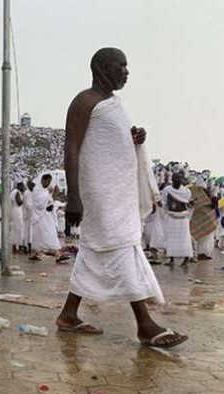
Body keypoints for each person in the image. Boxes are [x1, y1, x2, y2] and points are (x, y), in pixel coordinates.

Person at [56, 48, 187, 348]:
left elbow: (108, 144)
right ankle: (145, 325)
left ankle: (68, 314)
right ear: (103, 68)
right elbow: (72, 147)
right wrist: (74, 197)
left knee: (96, 249)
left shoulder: (112, 104)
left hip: (117, 193)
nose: (126, 72)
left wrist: (135, 138)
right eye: (121, 66)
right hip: (100, 195)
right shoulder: (85, 101)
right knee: (120, 247)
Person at [30, 174, 69, 262]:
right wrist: (48, 192)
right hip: (41, 217)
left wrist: (54, 193)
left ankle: (35, 253)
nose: (48, 183)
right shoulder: (37, 189)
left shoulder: (44, 191)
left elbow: (51, 202)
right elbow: (39, 204)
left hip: (47, 216)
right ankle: (57, 254)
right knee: (49, 234)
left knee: (47, 234)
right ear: (43, 180)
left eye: (50, 182)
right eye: (47, 181)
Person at [162, 173, 194, 267]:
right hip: (172, 217)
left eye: (180, 177)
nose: (178, 179)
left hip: (183, 218)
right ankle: (171, 259)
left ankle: (186, 260)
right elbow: (164, 204)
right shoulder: (167, 190)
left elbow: (188, 205)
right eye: (176, 177)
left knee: (185, 239)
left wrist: (191, 204)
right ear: (172, 179)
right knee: (172, 239)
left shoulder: (186, 191)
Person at [10, 182, 26, 254]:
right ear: (19, 186)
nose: (24, 188)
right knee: (18, 228)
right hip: (17, 211)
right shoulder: (17, 192)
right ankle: (17, 246)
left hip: (15, 210)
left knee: (16, 229)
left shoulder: (14, 192)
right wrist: (24, 200)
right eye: (23, 186)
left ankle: (15, 246)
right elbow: (19, 202)